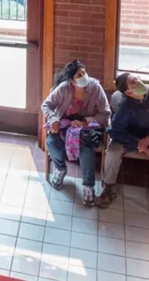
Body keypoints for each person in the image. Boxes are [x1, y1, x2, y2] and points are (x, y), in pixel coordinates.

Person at [97, 72, 149, 215]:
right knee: (113, 152)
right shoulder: (125, 106)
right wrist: (139, 145)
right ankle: (109, 188)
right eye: (134, 82)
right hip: (128, 137)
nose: (139, 81)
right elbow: (115, 131)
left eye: (137, 78)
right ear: (128, 92)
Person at [40, 60, 111, 205]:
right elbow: (46, 104)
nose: (84, 76)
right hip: (66, 125)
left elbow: (105, 114)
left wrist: (85, 122)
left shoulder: (95, 88)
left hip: (89, 128)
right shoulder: (64, 88)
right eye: (79, 75)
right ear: (72, 80)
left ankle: (88, 186)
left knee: (86, 147)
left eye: (84, 72)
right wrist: (53, 119)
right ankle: (60, 169)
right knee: (51, 142)